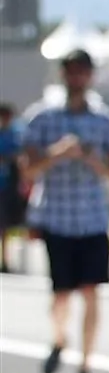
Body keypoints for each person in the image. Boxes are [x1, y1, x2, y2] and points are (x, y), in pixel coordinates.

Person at [22, 48, 109, 373]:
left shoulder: (104, 119)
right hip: (58, 218)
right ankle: (59, 339)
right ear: (63, 75)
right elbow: (29, 168)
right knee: (61, 293)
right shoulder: (42, 118)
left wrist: (90, 157)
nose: (76, 78)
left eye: (82, 72)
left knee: (91, 292)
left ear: (89, 76)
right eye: (71, 71)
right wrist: (57, 153)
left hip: (92, 218)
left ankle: (86, 364)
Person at [0, 101, 25, 275]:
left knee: (5, 226)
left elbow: (19, 157)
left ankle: (5, 259)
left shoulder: (15, 135)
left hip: (6, 187)